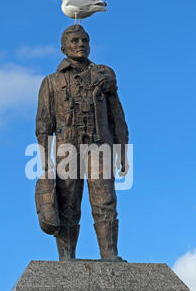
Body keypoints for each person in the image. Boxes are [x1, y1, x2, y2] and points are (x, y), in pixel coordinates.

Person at [35, 25, 129, 261]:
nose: (80, 45)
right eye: (75, 41)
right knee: (67, 204)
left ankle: (109, 253)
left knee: (105, 200)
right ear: (63, 47)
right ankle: (67, 258)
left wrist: (123, 150)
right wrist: (45, 162)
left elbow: (116, 116)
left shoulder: (104, 76)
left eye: (84, 40)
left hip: (99, 147)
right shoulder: (51, 82)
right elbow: (43, 125)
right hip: (67, 149)